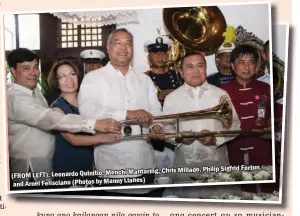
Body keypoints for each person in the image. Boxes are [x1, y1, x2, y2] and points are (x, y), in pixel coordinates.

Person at [7, 48, 121, 190]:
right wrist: (96, 125)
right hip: (30, 167)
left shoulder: (35, 91)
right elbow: (52, 120)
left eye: (35, 67)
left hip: (47, 164)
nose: (33, 73)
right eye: (26, 68)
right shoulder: (15, 99)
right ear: (13, 71)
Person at [78, 28, 165, 196]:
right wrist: (127, 114)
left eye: (128, 43)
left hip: (143, 161)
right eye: (117, 42)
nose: (123, 47)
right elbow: (88, 111)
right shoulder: (93, 78)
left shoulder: (144, 79)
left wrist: (157, 127)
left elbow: (155, 109)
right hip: (110, 163)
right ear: (108, 47)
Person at [162, 52, 241, 198]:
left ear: (206, 69)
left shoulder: (221, 95)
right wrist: (178, 138)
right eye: (190, 67)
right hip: (185, 167)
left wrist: (216, 139)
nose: (196, 71)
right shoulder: (171, 98)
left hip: (217, 165)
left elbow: (235, 125)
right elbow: (165, 128)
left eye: (200, 66)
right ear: (181, 72)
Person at [47, 59, 122, 191]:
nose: (69, 80)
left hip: (91, 166)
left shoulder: (87, 102)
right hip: (68, 167)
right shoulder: (56, 108)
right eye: (62, 76)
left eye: (72, 74)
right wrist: (104, 138)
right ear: (57, 83)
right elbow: (73, 139)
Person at [221, 44, 273, 193]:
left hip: (262, 149)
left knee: (266, 191)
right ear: (232, 66)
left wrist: (271, 127)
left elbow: (272, 116)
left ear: (256, 66)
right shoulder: (222, 92)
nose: (246, 67)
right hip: (233, 150)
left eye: (251, 62)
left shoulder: (265, 88)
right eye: (241, 62)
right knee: (239, 194)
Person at [143, 36, 182, 171]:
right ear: (149, 58)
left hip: (176, 133)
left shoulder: (178, 75)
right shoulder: (143, 78)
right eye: (155, 53)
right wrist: (157, 97)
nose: (160, 56)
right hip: (154, 136)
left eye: (163, 52)